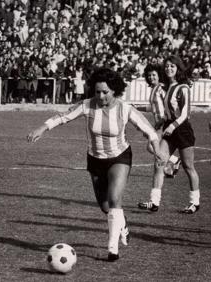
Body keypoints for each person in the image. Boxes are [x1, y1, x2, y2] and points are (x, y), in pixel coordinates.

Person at [27, 68, 164, 261]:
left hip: (119, 157)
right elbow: (63, 116)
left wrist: (157, 149)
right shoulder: (86, 105)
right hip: (95, 159)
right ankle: (122, 224)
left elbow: (149, 131)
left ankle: (112, 249)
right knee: (105, 206)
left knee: (115, 199)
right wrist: (42, 127)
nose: (100, 96)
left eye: (105, 92)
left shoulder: (125, 109)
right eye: (97, 91)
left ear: (114, 90)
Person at [138, 55, 200, 214]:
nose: (169, 68)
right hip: (169, 128)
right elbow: (164, 112)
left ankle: (195, 202)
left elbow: (185, 113)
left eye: (172, 66)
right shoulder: (167, 87)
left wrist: (172, 126)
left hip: (182, 129)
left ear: (178, 68)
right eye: (167, 66)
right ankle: (154, 202)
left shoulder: (183, 87)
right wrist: (159, 125)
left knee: (188, 167)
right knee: (159, 162)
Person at [141, 64, 182, 179]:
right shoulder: (154, 89)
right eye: (149, 75)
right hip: (159, 124)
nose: (151, 77)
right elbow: (153, 108)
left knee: (151, 146)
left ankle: (172, 162)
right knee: (154, 147)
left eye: (154, 75)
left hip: (164, 123)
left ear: (159, 76)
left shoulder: (161, 88)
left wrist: (165, 120)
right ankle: (169, 168)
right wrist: (137, 108)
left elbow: (169, 104)